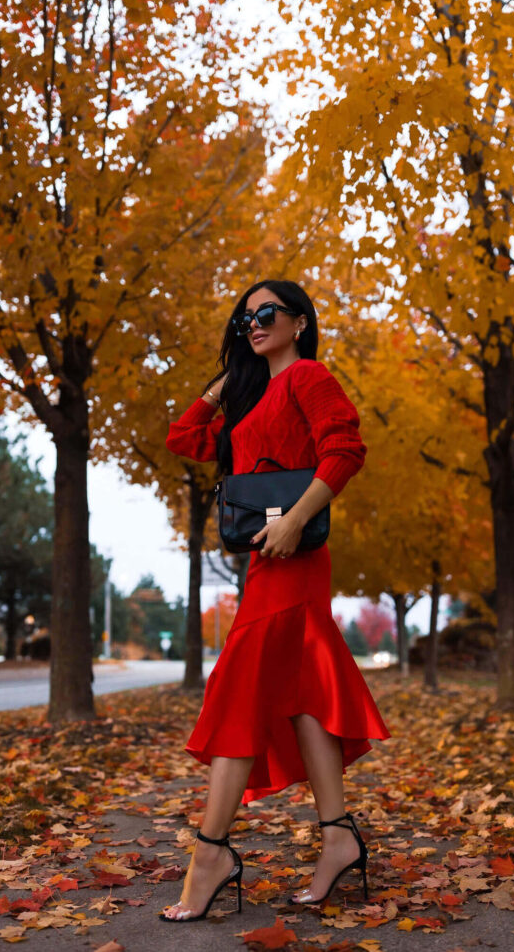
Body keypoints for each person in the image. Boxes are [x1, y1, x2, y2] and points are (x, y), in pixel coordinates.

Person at [161, 279, 390, 922]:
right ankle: (338, 835)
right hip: (265, 566)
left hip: (296, 558)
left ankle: (210, 852)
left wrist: (294, 519)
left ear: (298, 321)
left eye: (267, 314)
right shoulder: (253, 399)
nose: (254, 324)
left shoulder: (308, 378)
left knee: (239, 688)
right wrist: (225, 380)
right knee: (301, 702)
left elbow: (346, 450)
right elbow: (185, 436)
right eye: (245, 318)